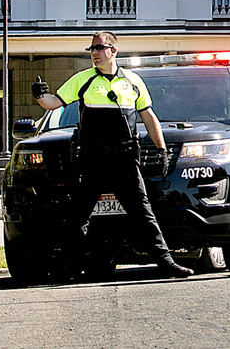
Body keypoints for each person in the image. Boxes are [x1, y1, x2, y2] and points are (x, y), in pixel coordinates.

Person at [31, 31, 193, 279]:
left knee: (143, 213)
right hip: (92, 159)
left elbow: (149, 117)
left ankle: (166, 263)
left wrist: (161, 151)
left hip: (124, 159)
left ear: (113, 51)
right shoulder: (83, 80)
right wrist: (40, 95)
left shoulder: (132, 81)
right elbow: (54, 103)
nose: (94, 53)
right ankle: (72, 268)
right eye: (91, 49)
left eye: (99, 48)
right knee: (78, 216)